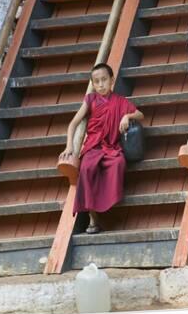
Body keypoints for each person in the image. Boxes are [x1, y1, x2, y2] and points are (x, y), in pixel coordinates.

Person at [59, 63, 144, 233]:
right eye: (96, 81)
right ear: (93, 83)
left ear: (112, 80)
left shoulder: (120, 102)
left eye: (104, 80)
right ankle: (93, 218)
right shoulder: (90, 100)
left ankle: (107, 208)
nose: (101, 85)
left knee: (118, 163)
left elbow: (140, 115)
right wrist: (69, 145)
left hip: (111, 147)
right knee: (87, 168)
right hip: (93, 147)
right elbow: (73, 123)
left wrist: (127, 116)